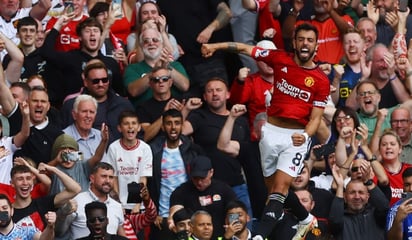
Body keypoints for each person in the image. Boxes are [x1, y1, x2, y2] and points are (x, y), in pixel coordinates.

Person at [201, 22, 330, 239]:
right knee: (276, 192)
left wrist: (306, 135)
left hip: (295, 138)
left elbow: (316, 118)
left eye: (310, 40)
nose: (305, 43)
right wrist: (215, 46)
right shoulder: (279, 58)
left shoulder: (321, 81)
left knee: (280, 188)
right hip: (270, 134)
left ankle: (260, 235)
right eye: (301, 39)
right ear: (294, 42)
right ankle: (306, 219)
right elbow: (244, 48)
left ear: (316, 45)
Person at [182, 78, 253, 222]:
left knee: (240, 226)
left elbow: (247, 153)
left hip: (236, 185)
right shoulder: (199, 116)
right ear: (204, 97)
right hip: (208, 187)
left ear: (228, 94)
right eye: (210, 91)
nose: (215, 94)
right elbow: (179, 131)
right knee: (212, 229)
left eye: (219, 90)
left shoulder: (241, 120)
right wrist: (186, 109)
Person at [157, 0, 233, 98]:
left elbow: (226, 13)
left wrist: (210, 29)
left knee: (217, 104)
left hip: (210, 61)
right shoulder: (162, 2)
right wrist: (171, 41)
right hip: (183, 65)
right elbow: (160, 25)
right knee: (190, 108)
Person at [40, 16, 123, 103]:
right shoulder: (70, 58)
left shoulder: (111, 63)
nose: (92, 34)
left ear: (100, 36)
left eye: (96, 30)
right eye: (87, 31)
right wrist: (57, 26)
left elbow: (120, 93)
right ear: (80, 37)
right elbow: (46, 53)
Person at [148, 108, 203, 239]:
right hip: (164, 216)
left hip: (189, 214)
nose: (173, 127)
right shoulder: (153, 150)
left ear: (182, 125)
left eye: (177, 123)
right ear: (162, 126)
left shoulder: (193, 149)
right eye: (169, 123)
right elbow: (149, 184)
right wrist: (154, 213)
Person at [60, 59, 134, 144]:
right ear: (86, 82)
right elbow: (62, 137)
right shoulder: (71, 106)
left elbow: (136, 134)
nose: (101, 84)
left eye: (104, 80)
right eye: (96, 81)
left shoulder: (123, 105)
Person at [217, 104, 267, 220]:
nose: (266, 133)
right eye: (262, 129)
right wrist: (232, 117)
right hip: (258, 214)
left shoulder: (284, 149)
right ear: (255, 132)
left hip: (283, 211)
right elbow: (223, 145)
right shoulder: (249, 149)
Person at [169, 155, 237, 239]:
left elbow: (234, 210)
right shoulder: (181, 192)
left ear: (211, 172)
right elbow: (176, 213)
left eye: (202, 178)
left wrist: (232, 224)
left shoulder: (224, 189)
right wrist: (171, 219)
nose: (199, 182)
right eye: (195, 178)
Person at [123, 27, 189, 108]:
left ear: (162, 44)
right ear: (141, 46)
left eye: (155, 40)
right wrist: (156, 70)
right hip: (144, 115)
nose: (151, 43)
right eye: (146, 41)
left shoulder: (175, 65)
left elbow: (185, 86)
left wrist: (167, 67)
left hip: (172, 115)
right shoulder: (132, 68)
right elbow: (133, 91)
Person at [228, 40, 276, 141]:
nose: (269, 62)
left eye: (272, 57)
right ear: (255, 60)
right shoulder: (251, 81)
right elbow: (235, 102)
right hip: (260, 137)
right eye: (264, 59)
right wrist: (240, 81)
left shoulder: (287, 78)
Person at [11, 163, 81, 230]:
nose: (25, 183)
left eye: (28, 178)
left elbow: (75, 189)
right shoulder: (6, 210)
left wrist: (54, 170)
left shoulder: (43, 203)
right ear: (12, 183)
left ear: (32, 181)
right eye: (20, 179)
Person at [106, 110, 152, 211]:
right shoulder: (113, 148)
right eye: (126, 123)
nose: (130, 127)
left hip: (139, 206)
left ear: (139, 127)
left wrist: (137, 204)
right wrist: (118, 204)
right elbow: (114, 178)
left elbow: (143, 178)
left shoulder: (145, 148)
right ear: (119, 128)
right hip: (119, 205)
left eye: (134, 123)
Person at [282, 0, 354, 64]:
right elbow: (286, 35)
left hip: (338, 72)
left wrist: (331, 11)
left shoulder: (344, 20)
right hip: (313, 73)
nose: (320, 1)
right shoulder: (304, 25)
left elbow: (350, 34)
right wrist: (295, 11)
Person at [329, 166, 389, 239]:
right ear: (345, 197)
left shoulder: (376, 215)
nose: (357, 197)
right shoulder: (341, 218)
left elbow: (384, 207)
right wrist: (340, 187)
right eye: (352, 192)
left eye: (361, 192)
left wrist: (368, 182)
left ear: (367, 197)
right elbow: (335, 221)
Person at [70, 162, 125, 239]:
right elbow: (60, 231)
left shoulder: (117, 206)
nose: (108, 181)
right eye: (103, 176)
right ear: (92, 178)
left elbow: (120, 233)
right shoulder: (76, 201)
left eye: (111, 177)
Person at [136, 66, 186, 142]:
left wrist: (184, 112)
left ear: (170, 82)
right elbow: (146, 136)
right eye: (156, 80)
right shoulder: (143, 108)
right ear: (150, 84)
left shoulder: (181, 102)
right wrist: (165, 115)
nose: (161, 82)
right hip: (156, 149)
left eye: (165, 79)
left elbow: (186, 131)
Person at [63, 94, 106, 161]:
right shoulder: (64, 137)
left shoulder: (100, 135)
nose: (88, 115)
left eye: (91, 112)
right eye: (84, 111)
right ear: (74, 114)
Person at [0, 100, 30, 185]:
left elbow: (24, 134)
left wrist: (26, 116)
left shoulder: (7, 142)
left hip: (5, 194)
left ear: (1, 128)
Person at [387, 167, 412, 239]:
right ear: (403, 187)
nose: (411, 189)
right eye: (407, 185)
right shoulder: (395, 210)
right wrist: (398, 221)